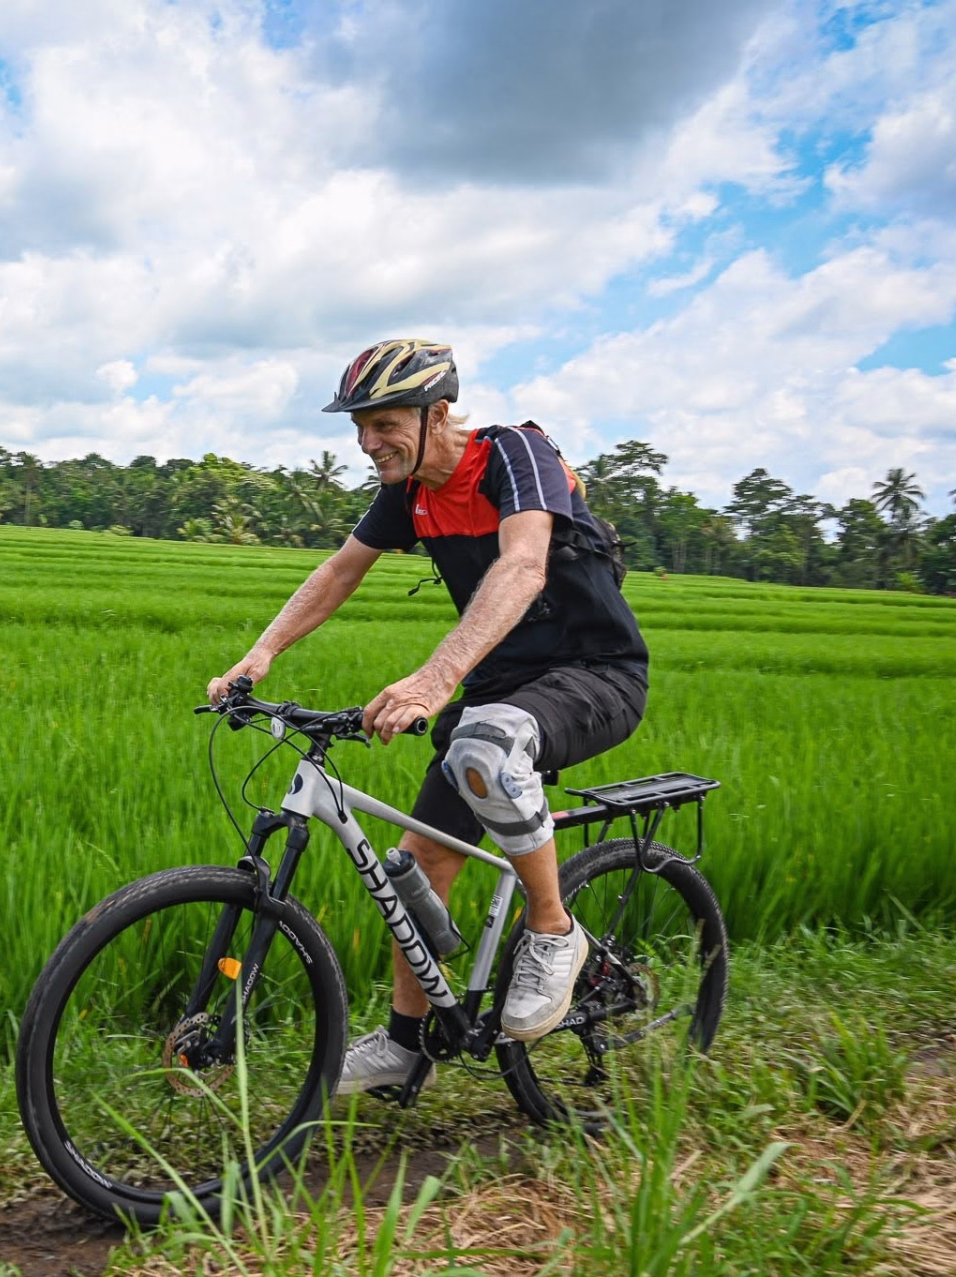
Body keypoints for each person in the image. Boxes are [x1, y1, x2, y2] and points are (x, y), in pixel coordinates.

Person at [207, 338, 649, 1096]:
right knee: (416, 865)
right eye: (359, 427)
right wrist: (261, 652)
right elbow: (341, 568)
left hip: (593, 673)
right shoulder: (409, 491)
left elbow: (523, 565)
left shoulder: (515, 455)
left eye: (383, 424)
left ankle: (553, 929)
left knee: (485, 742)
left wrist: (438, 676)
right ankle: (409, 1044)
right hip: (503, 687)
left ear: (437, 413)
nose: (367, 443)